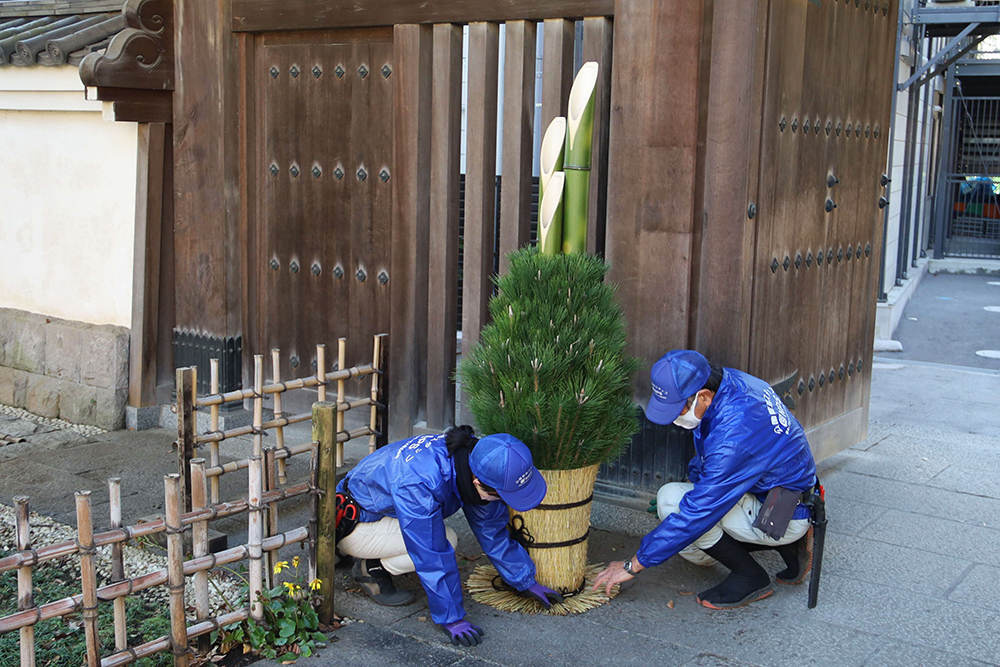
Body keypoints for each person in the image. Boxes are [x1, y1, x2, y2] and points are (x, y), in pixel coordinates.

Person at [592, 349, 818, 610]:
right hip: (782, 493)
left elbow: (699, 510)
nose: (675, 419)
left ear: (705, 396)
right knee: (682, 516)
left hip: (783, 511)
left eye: (679, 410)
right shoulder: (733, 382)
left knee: (675, 507)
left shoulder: (734, 436)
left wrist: (632, 565)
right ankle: (788, 546)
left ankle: (751, 575)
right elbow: (709, 458)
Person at [335, 426, 564, 645]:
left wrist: (524, 580)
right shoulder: (421, 482)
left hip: (384, 508)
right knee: (445, 540)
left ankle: (372, 557)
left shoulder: (477, 459)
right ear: (478, 484)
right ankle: (371, 569)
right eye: (502, 496)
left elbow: (491, 527)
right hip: (354, 523)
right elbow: (430, 552)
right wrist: (452, 619)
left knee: (446, 536)